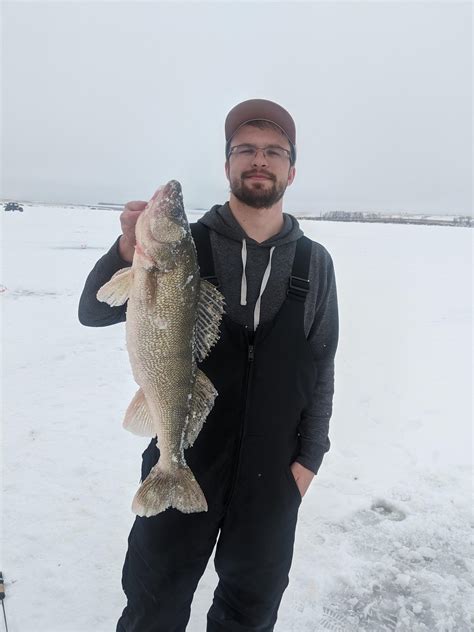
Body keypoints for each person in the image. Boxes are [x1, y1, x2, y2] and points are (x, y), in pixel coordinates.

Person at [78, 98, 339, 632]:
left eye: (273, 151)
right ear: (227, 166)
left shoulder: (315, 263)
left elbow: (322, 366)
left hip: (272, 480)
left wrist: (308, 460)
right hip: (185, 453)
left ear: (292, 168)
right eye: (245, 150)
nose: (259, 160)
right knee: (153, 608)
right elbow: (91, 312)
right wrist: (127, 251)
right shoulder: (183, 246)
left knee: (248, 615)